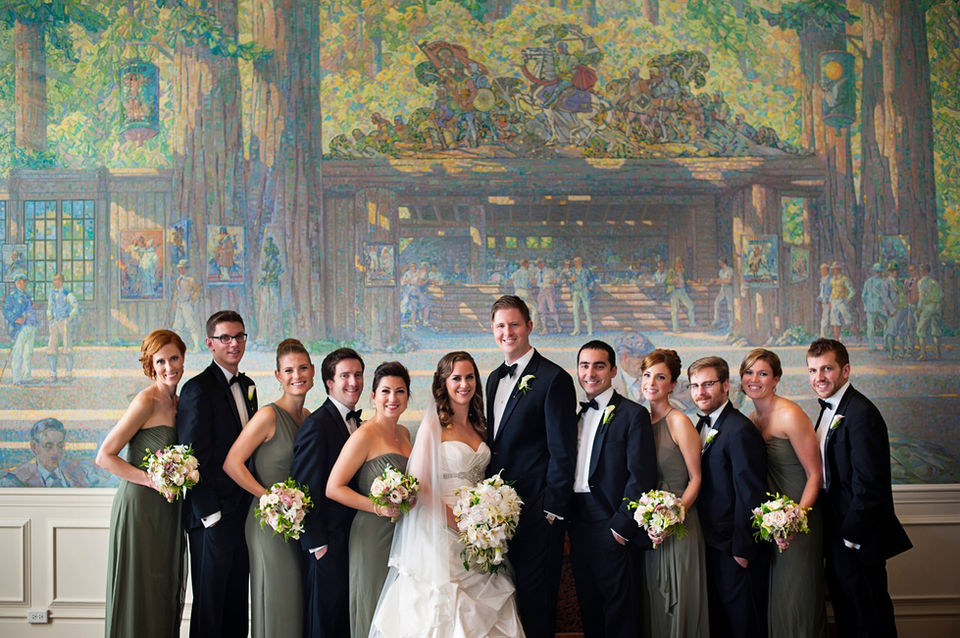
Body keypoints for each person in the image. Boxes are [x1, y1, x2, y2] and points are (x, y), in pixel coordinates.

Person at [370, 351, 525, 637]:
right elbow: (421, 483)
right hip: (441, 528)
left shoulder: (481, 425)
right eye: (456, 378)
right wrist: (459, 523)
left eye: (469, 377)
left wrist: (485, 523)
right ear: (443, 383)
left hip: (479, 529)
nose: (464, 384)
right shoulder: (434, 425)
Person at [485, 295, 577, 638]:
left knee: (537, 605)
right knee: (507, 603)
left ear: (529, 327)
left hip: (538, 513)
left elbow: (562, 452)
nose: (507, 332)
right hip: (498, 516)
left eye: (514, 324)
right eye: (500, 325)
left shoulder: (554, 378)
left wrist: (551, 510)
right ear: (492, 330)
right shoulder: (492, 378)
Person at [806, 339, 912, 638]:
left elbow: (870, 485)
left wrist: (850, 539)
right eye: (813, 370)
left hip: (857, 536)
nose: (819, 377)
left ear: (846, 370)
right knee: (848, 615)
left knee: (870, 618)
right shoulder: (832, 409)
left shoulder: (861, 413)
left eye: (827, 369)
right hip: (835, 531)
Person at [95, 329, 187, 638]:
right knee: (140, 586)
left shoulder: (179, 402)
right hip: (140, 506)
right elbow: (105, 456)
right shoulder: (146, 401)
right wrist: (152, 481)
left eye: (174, 358)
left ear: (183, 358)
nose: (169, 367)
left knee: (162, 585)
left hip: (167, 510)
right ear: (151, 365)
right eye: (161, 361)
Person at [223, 339, 314, 638]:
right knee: (277, 600)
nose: (297, 375)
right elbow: (232, 463)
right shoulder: (267, 415)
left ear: (313, 371)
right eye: (289, 370)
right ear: (278, 376)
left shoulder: (309, 418)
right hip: (268, 524)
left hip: (297, 524)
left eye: (303, 368)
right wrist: (272, 499)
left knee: (296, 602)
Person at [177, 310, 258, 638]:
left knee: (237, 603)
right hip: (211, 517)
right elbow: (191, 457)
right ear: (210, 343)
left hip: (242, 513)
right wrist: (210, 515)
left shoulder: (249, 386)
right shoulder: (197, 388)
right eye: (225, 338)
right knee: (211, 607)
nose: (234, 343)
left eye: (239, 336)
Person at [569, 340, 656, 638]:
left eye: (599, 366)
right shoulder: (574, 416)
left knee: (621, 613)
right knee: (589, 606)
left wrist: (621, 526)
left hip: (612, 524)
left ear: (613, 370)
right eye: (584, 366)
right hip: (578, 525)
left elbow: (642, 477)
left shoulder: (633, 414)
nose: (590, 373)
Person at [740, 348, 826, 638]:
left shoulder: (790, 414)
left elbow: (815, 475)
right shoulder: (751, 418)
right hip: (772, 522)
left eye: (763, 373)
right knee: (776, 596)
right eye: (749, 372)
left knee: (796, 596)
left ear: (776, 379)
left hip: (800, 520)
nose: (754, 379)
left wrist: (796, 520)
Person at [326, 361, 413, 638]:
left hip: (403, 535)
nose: (392, 398)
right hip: (372, 535)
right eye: (385, 391)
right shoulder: (364, 435)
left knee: (398, 613)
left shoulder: (405, 434)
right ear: (373, 396)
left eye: (400, 391)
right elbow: (333, 487)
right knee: (374, 606)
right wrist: (379, 507)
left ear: (408, 397)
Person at [688, 356, 768, 638]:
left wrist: (742, 551)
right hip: (709, 544)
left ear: (725, 386)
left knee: (744, 625)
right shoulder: (699, 426)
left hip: (734, 549)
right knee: (719, 625)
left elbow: (751, 494)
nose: (700, 392)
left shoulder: (740, 430)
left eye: (708, 384)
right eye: (695, 385)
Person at [291, 348, 365, 638]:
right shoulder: (316, 425)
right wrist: (316, 545)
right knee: (324, 622)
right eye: (345, 375)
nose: (353, 382)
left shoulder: (359, 425)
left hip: (352, 540)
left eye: (358, 375)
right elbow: (303, 487)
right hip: (326, 544)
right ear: (329, 382)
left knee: (342, 621)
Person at [639, 349, 709, 638]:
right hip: (652, 528)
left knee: (680, 603)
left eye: (660, 377)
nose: (651, 382)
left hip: (681, 526)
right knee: (655, 602)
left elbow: (696, 478)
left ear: (672, 385)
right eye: (647, 375)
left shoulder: (679, 420)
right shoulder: (641, 421)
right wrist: (653, 522)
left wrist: (672, 517)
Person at [1, 418, 98, 487]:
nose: (56, 452)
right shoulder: (16, 479)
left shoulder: (81, 472)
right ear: (34, 447)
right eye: (48, 446)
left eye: (60, 446)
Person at [3, 274, 38, 385]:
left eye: (25, 282)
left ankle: (27, 376)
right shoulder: (12, 297)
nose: (25, 284)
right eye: (23, 282)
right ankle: (17, 378)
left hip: (31, 326)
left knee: (28, 353)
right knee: (18, 352)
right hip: (20, 327)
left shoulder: (26, 296)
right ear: (17, 283)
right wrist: (16, 319)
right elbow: (6, 311)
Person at [46, 272, 79, 382]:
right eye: (53, 280)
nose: (54, 282)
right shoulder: (52, 294)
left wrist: (69, 318)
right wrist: (50, 317)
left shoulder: (67, 293)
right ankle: (53, 374)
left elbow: (75, 307)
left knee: (67, 347)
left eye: (56, 280)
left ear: (61, 281)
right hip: (54, 322)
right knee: (52, 347)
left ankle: (68, 374)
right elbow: (49, 307)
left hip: (64, 322)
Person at [172, 260, 203, 352]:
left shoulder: (190, 280)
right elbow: (177, 292)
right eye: (179, 268)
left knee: (191, 325)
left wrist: (192, 301)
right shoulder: (178, 280)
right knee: (178, 326)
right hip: (180, 304)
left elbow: (197, 291)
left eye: (183, 268)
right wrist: (174, 301)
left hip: (187, 304)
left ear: (186, 269)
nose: (181, 270)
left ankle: (197, 346)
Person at [915, 264, 943, 360]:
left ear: (924, 271)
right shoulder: (935, 282)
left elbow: (922, 297)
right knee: (936, 330)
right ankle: (938, 353)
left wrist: (919, 308)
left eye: (920, 271)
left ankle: (923, 354)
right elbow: (941, 295)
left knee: (921, 330)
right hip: (937, 307)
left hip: (927, 307)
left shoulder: (922, 282)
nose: (919, 272)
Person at [829, 262, 861, 343]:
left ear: (839, 270)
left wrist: (848, 299)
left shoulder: (844, 279)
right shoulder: (832, 280)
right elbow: (832, 291)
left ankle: (858, 337)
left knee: (849, 321)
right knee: (835, 322)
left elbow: (852, 291)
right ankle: (836, 341)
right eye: (833, 269)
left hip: (841, 301)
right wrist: (830, 301)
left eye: (836, 269)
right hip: (834, 301)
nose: (834, 271)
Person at [666, 257, 696, 332]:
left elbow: (685, 279)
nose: (680, 264)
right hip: (675, 291)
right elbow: (666, 281)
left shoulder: (683, 270)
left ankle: (692, 324)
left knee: (691, 305)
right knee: (675, 310)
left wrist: (689, 281)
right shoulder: (672, 271)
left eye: (681, 263)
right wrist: (673, 281)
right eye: (679, 263)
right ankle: (675, 328)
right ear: (676, 263)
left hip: (682, 290)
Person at [861, 264, 886, 351]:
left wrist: (866, 305)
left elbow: (863, 296)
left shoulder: (868, 282)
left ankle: (872, 346)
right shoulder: (883, 282)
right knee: (886, 325)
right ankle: (886, 344)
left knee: (870, 327)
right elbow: (885, 296)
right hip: (880, 306)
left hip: (870, 307)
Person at [568, 256, 595, 336]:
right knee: (575, 311)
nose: (575, 263)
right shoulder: (572, 271)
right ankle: (577, 330)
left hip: (584, 292)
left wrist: (590, 286)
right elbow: (568, 282)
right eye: (574, 262)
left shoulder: (586, 271)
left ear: (580, 262)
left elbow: (592, 280)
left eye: (577, 262)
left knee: (587, 311)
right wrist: (571, 280)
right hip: (575, 292)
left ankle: (590, 330)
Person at [535, 258, 562, 334]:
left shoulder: (550, 271)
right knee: (541, 310)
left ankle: (558, 326)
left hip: (549, 290)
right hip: (541, 290)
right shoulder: (537, 272)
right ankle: (544, 329)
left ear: (543, 263)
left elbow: (558, 279)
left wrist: (555, 281)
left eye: (540, 263)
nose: (539, 265)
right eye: (538, 264)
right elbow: (537, 281)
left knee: (552, 308)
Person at [712, 258, 734, 329]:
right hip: (723, 289)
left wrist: (720, 282)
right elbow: (720, 279)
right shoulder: (721, 271)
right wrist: (714, 280)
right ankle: (716, 320)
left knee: (730, 306)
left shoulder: (729, 270)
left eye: (720, 263)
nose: (719, 264)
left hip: (729, 289)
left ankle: (731, 323)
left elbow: (729, 281)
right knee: (716, 302)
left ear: (724, 262)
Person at [816, 263, 831, 338]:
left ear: (826, 270)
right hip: (823, 301)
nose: (821, 271)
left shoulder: (830, 279)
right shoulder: (822, 280)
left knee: (826, 318)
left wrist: (830, 300)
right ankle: (823, 335)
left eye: (822, 270)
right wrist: (820, 299)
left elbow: (830, 291)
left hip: (829, 301)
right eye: (821, 270)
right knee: (824, 317)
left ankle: (823, 335)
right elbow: (822, 292)